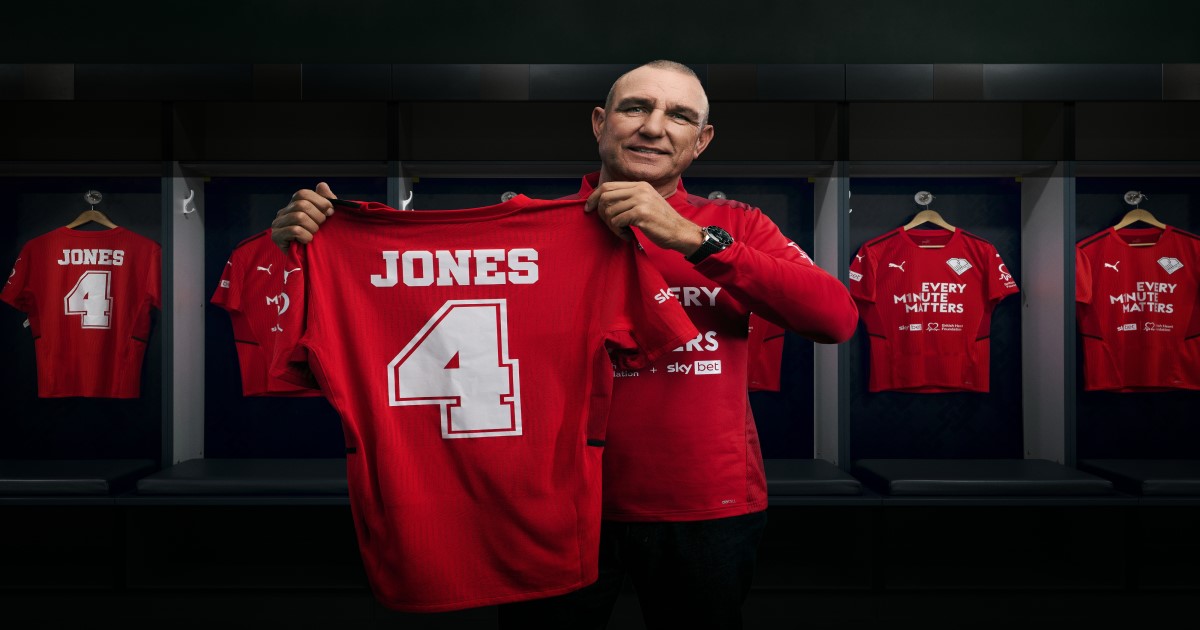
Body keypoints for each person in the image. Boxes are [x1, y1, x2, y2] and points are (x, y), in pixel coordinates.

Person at [270, 60, 858, 629]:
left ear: (700, 141)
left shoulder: (736, 225)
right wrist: (315, 244)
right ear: (601, 123)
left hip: (703, 501)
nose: (653, 126)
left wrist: (695, 240)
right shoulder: (524, 231)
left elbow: (834, 318)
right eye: (636, 107)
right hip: (551, 503)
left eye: (678, 116)